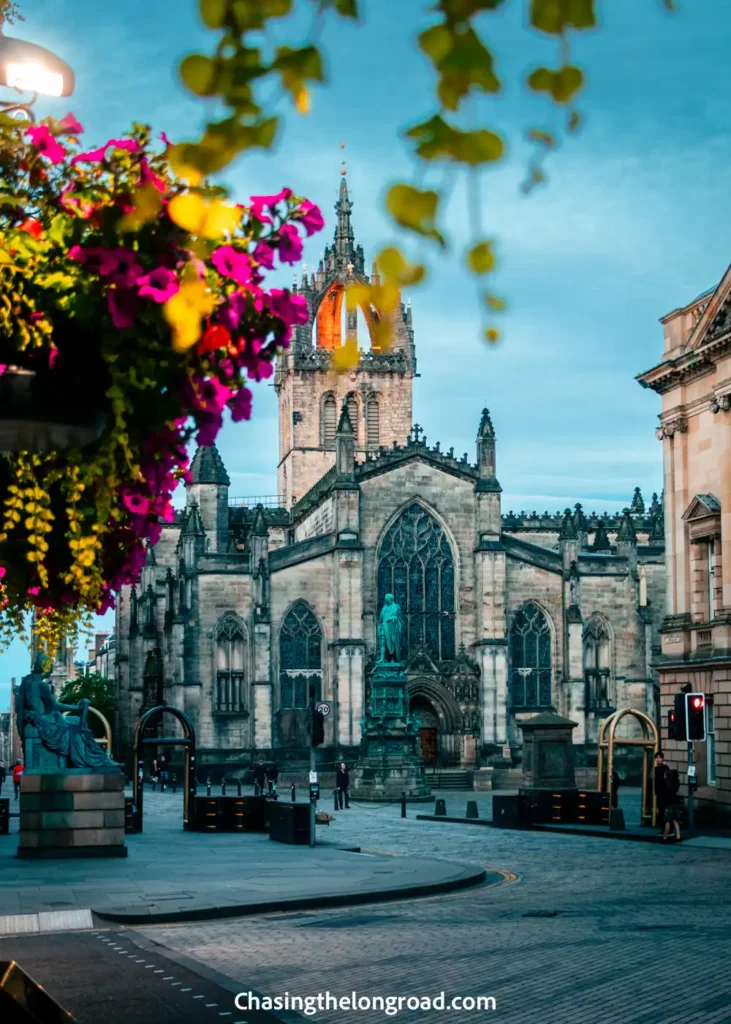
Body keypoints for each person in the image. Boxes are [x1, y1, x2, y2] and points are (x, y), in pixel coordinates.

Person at [663, 768, 683, 842]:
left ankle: (665, 837)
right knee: (675, 820)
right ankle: (678, 836)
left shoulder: (667, 782)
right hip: (676, 802)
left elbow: (665, 793)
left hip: (669, 803)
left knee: (667, 821)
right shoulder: (676, 781)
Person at [653, 751, 668, 834]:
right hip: (659, 793)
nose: (658, 759)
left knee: (664, 811)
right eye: (657, 758)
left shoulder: (665, 768)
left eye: (660, 758)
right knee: (661, 811)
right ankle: (662, 828)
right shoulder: (655, 769)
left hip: (664, 793)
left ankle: (665, 828)